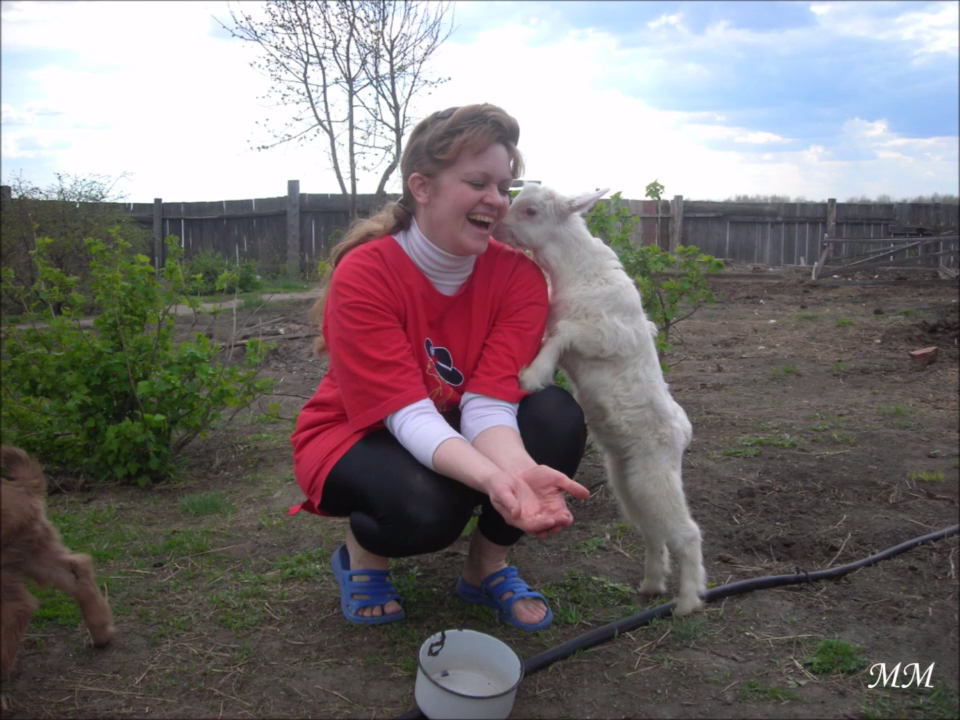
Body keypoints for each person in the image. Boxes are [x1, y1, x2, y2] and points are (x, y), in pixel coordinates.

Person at [289, 103, 590, 631]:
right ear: (422, 187)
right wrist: (493, 478)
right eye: (478, 182)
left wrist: (517, 476)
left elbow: (490, 401)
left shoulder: (519, 277)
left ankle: (484, 569)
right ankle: (363, 553)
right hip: (359, 431)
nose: (496, 201)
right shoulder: (367, 272)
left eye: (504, 186)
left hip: (451, 419)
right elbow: (406, 414)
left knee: (555, 415)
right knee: (427, 512)